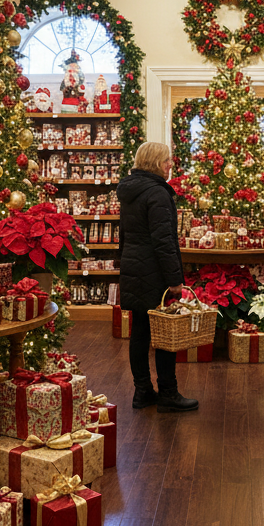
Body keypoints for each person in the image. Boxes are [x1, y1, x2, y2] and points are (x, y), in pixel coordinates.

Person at [116, 142, 199, 412]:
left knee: (139, 332)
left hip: (134, 268)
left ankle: (142, 392)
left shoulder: (130, 191)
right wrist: (175, 280)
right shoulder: (158, 193)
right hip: (154, 272)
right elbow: (164, 242)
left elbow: (125, 236)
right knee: (166, 333)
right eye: (166, 160)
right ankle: (168, 393)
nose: (170, 164)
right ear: (155, 162)